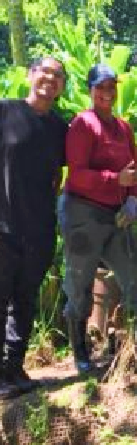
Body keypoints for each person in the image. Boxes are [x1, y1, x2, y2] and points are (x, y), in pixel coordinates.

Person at [60, 63, 137, 373]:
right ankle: (81, 354)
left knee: (135, 276)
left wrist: (134, 199)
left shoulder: (123, 127)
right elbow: (78, 174)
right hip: (82, 212)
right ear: (90, 90)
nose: (107, 93)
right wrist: (115, 180)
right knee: (80, 281)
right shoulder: (82, 124)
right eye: (101, 87)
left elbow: (133, 170)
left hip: (117, 214)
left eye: (111, 87)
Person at [0, 58, 68, 399]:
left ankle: (13, 368)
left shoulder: (60, 128)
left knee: (24, 301)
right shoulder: (6, 111)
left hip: (39, 229)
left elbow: (62, 174)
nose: (51, 79)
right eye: (46, 72)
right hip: (3, 225)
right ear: (31, 75)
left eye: (58, 76)